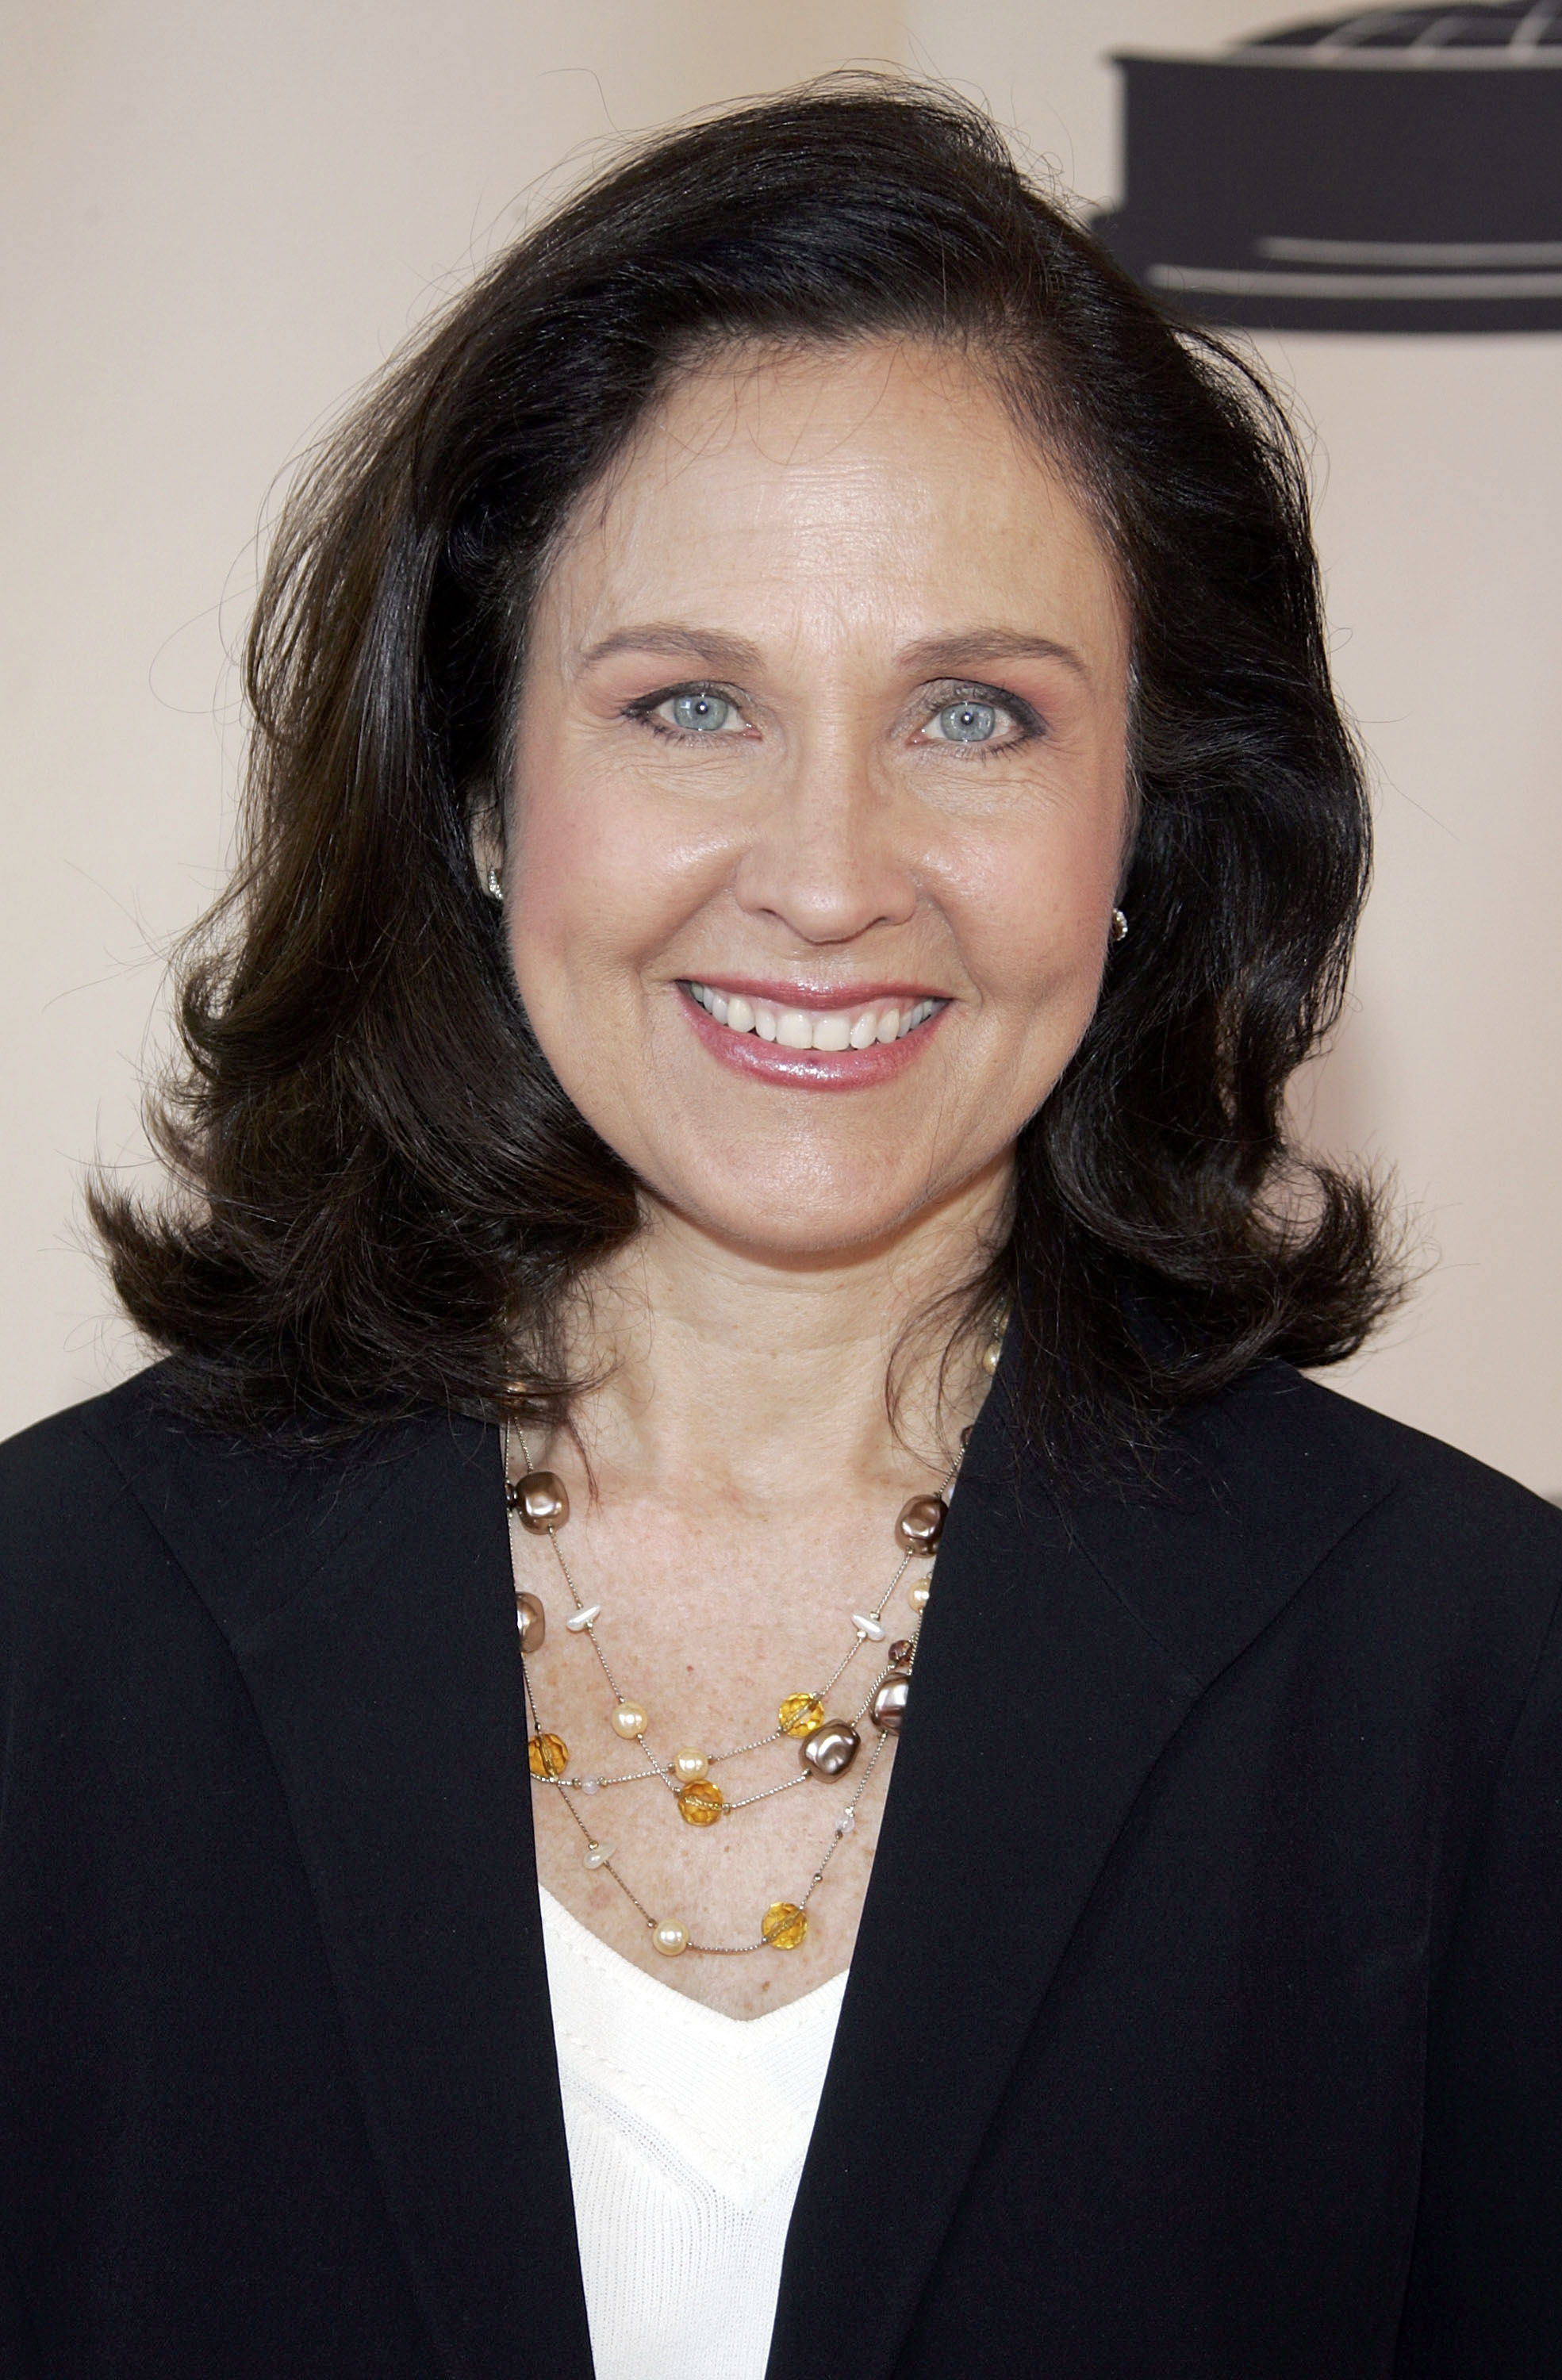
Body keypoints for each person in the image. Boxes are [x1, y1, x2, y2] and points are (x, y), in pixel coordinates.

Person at [1, 75, 1557, 2380]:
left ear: (1148, 809)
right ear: (475, 789)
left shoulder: (1474, 1684)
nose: (828, 876)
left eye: (972, 714)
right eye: (692, 702)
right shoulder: (50, 1641)